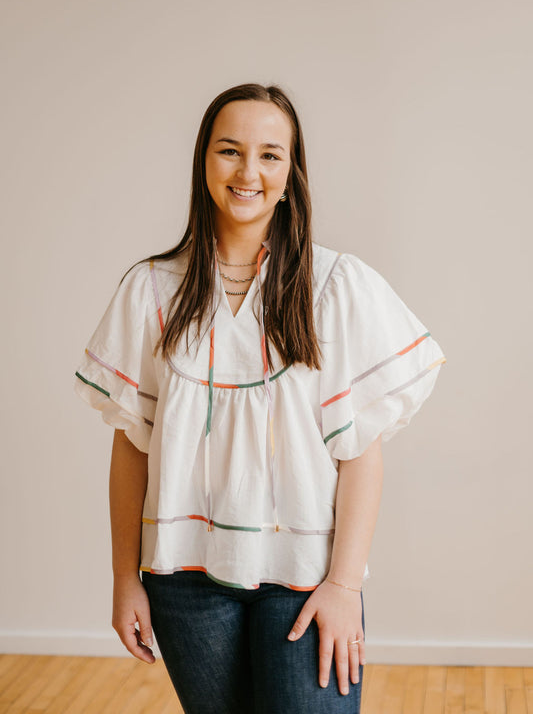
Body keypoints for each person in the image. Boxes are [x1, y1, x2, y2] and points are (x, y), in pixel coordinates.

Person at [74, 82, 445, 713]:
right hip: (184, 580)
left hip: (306, 581)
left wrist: (344, 586)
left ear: (291, 171)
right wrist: (124, 580)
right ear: (204, 161)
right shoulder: (149, 292)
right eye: (230, 151)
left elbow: (361, 453)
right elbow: (131, 447)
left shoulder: (337, 287)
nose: (249, 171)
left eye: (270, 155)